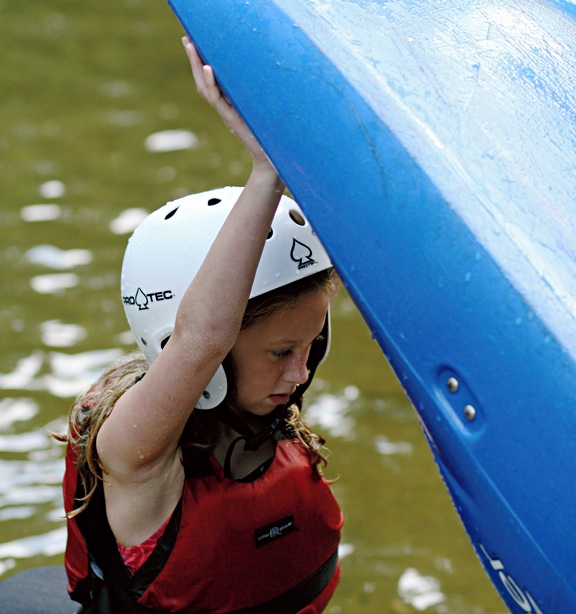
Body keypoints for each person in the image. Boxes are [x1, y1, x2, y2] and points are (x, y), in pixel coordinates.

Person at [60, 36, 343, 613]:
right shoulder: (137, 457)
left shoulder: (262, 416)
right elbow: (200, 340)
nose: (300, 371)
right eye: (280, 351)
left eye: (311, 346)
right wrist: (267, 174)